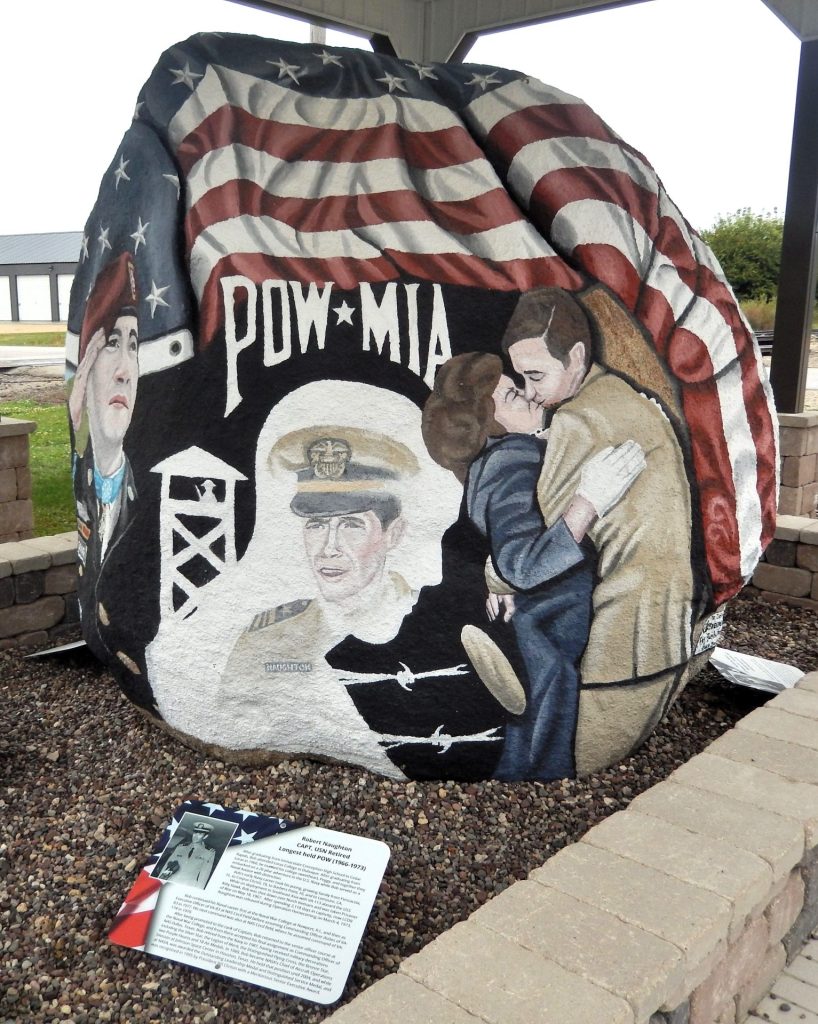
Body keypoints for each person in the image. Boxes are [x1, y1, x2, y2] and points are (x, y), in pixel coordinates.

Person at [422, 352, 644, 779]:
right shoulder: (513, 461)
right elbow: (522, 563)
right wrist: (589, 503)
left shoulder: (499, 460)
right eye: (512, 393)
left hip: (535, 634)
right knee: (541, 740)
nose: (530, 396)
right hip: (548, 629)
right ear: (488, 418)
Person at [501, 286, 697, 771]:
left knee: (563, 752)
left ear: (577, 356)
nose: (528, 391)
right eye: (521, 378)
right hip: (663, 626)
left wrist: (493, 576)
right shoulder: (624, 397)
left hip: (621, 642)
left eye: (535, 375)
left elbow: (534, 553)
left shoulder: (579, 422)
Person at [223, 429, 420, 777]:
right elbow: (233, 717)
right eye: (316, 524)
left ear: (394, 534)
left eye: (351, 525)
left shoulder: (431, 623)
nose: (329, 548)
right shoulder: (266, 636)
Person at [68, 252, 144, 679]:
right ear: (87, 367)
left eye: (133, 346)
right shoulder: (84, 477)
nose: (124, 371)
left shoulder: (148, 491)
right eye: (112, 343)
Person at [157, 821, 216, 888]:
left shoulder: (209, 853)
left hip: (188, 885)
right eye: (195, 832)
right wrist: (159, 881)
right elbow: (167, 865)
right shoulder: (180, 847)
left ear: (205, 836)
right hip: (171, 882)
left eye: (200, 834)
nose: (195, 836)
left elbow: (204, 875)